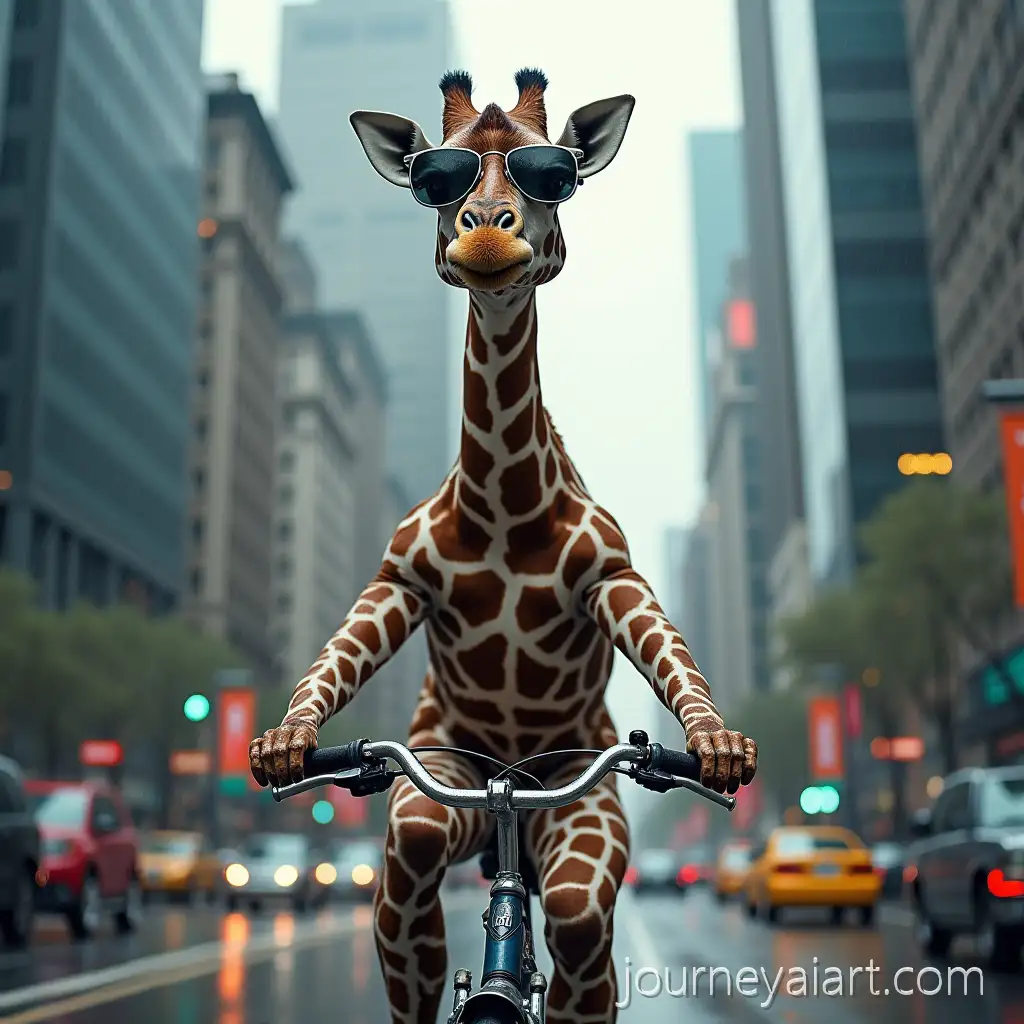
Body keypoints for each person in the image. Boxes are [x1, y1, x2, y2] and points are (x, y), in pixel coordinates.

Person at [250, 67, 758, 1024]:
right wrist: (299, 721)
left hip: (576, 761)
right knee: (403, 847)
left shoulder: (582, 535)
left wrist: (704, 728)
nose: (490, 204)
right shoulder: (434, 537)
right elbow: (365, 630)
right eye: (446, 182)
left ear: (563, 209)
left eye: (539, 179)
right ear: (435, 214)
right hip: (450, 752)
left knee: (574, 916)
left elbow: (647, 631)